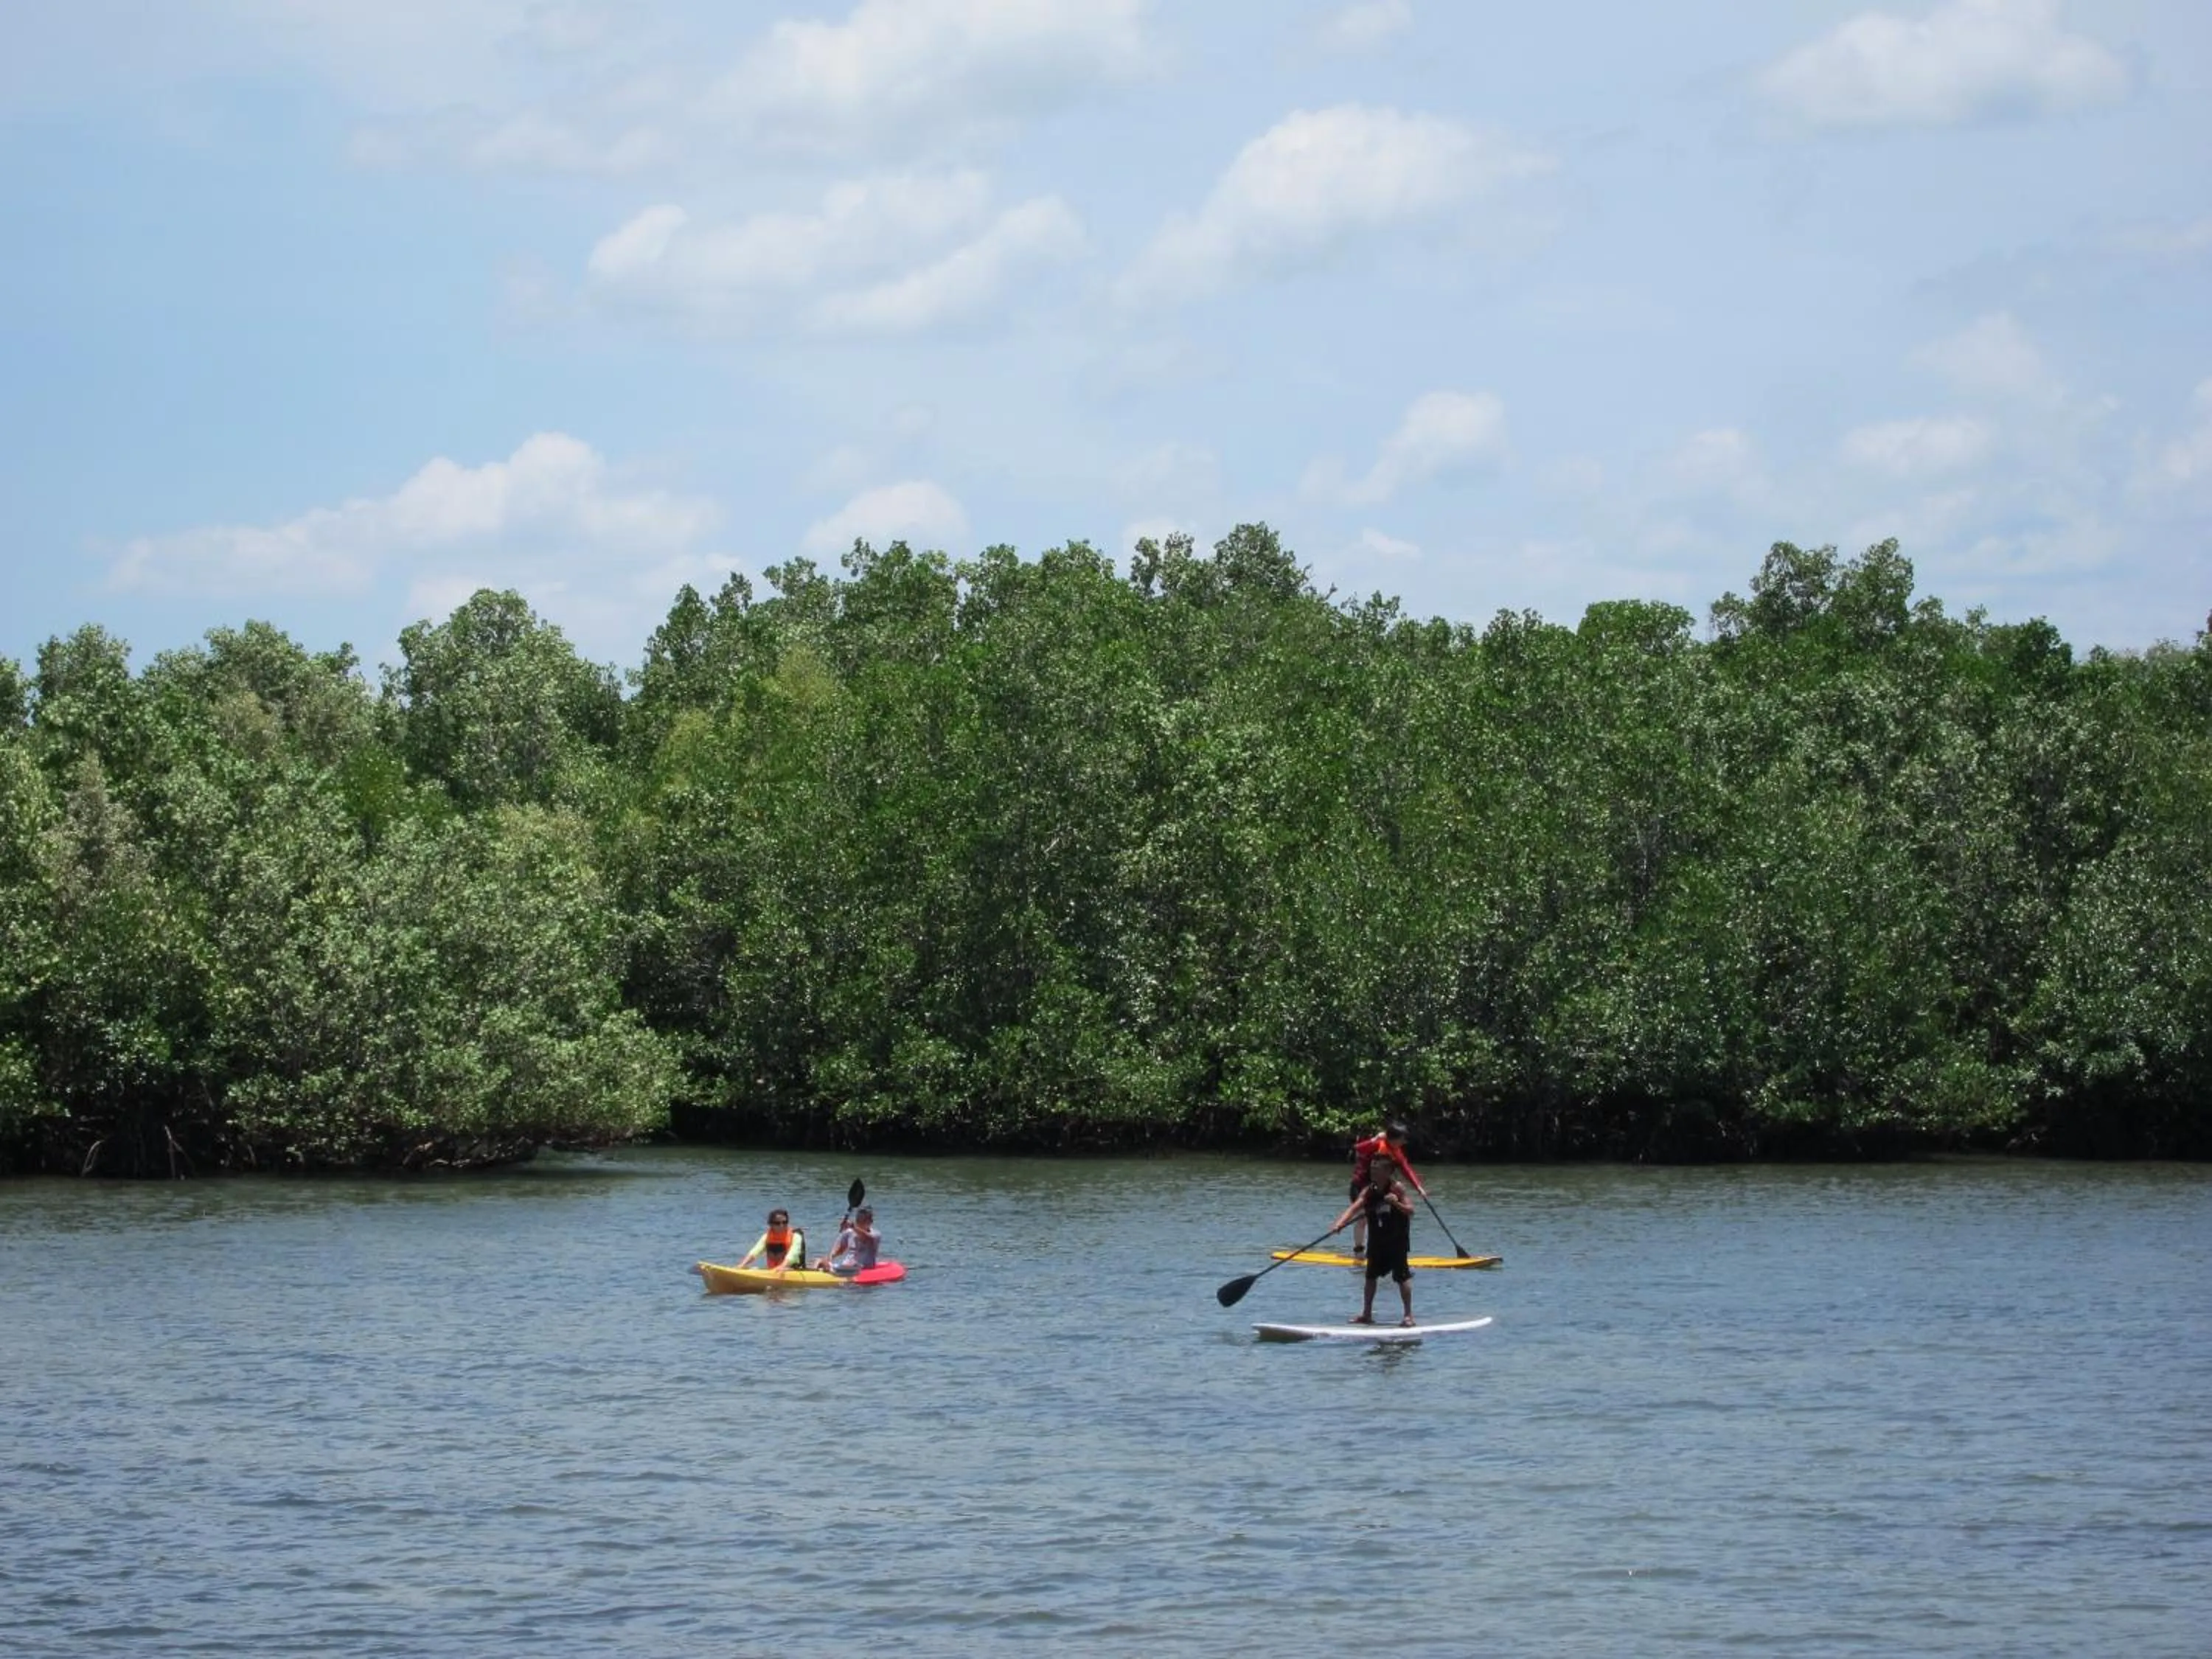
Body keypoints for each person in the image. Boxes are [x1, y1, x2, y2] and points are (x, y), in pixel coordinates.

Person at [1332, 1162, 1416, 1326]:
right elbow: (1355, 1207)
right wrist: (1340, 1224)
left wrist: (1396, 1203)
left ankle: (1408, 1316)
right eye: (1372, 1169)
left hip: (1397, 1239)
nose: (1373, 1172)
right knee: (1370, 1276)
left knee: (1402, 1277)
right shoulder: (1370, 1189)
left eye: (1377, 1170)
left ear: (1388, 1172)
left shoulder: (1397, 1188)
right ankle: (1366, 1315)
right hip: (1377, 1239)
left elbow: (1411, 1211)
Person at [1348, 1121, 1427, 1257]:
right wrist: (1374, 1139)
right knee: (1363, 1219)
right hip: (1361, 1186)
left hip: (1379, 1188)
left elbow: (1406, 1169)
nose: (1404, 1142)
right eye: (1402, 1139)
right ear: (1394, 1138)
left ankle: (1380, 1249)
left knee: (1384, 1216)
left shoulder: (1396, 1150)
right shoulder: (1378, 1144)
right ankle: (1359, 1251)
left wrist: (1419, 1187)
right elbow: (1358, 1148)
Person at [734, 1208, 806, 1277]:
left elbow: (793, 1254)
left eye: (785, 1222)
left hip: (792, 1269)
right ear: (771, 1224)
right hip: (774, 1270)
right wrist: (742, 1264)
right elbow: (755, 1251)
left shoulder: (796, 1236)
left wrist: (782, 1266)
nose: (782, 1225)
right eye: (777, 1223)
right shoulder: (766, 1237)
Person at [811, 1206, 881, 1276]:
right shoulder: (849, 1232)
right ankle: (811, 1276)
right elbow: (839, 1250)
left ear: (870, 1221)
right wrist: (830, 1257)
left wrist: (853, 1227)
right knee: (819, 1260)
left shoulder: (875, 1234)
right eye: (859, 1218)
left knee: (820, 1261)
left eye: (863, 1219)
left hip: (862, 1268)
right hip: (847, 1267)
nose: (859, 1221)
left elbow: (866, 1239)